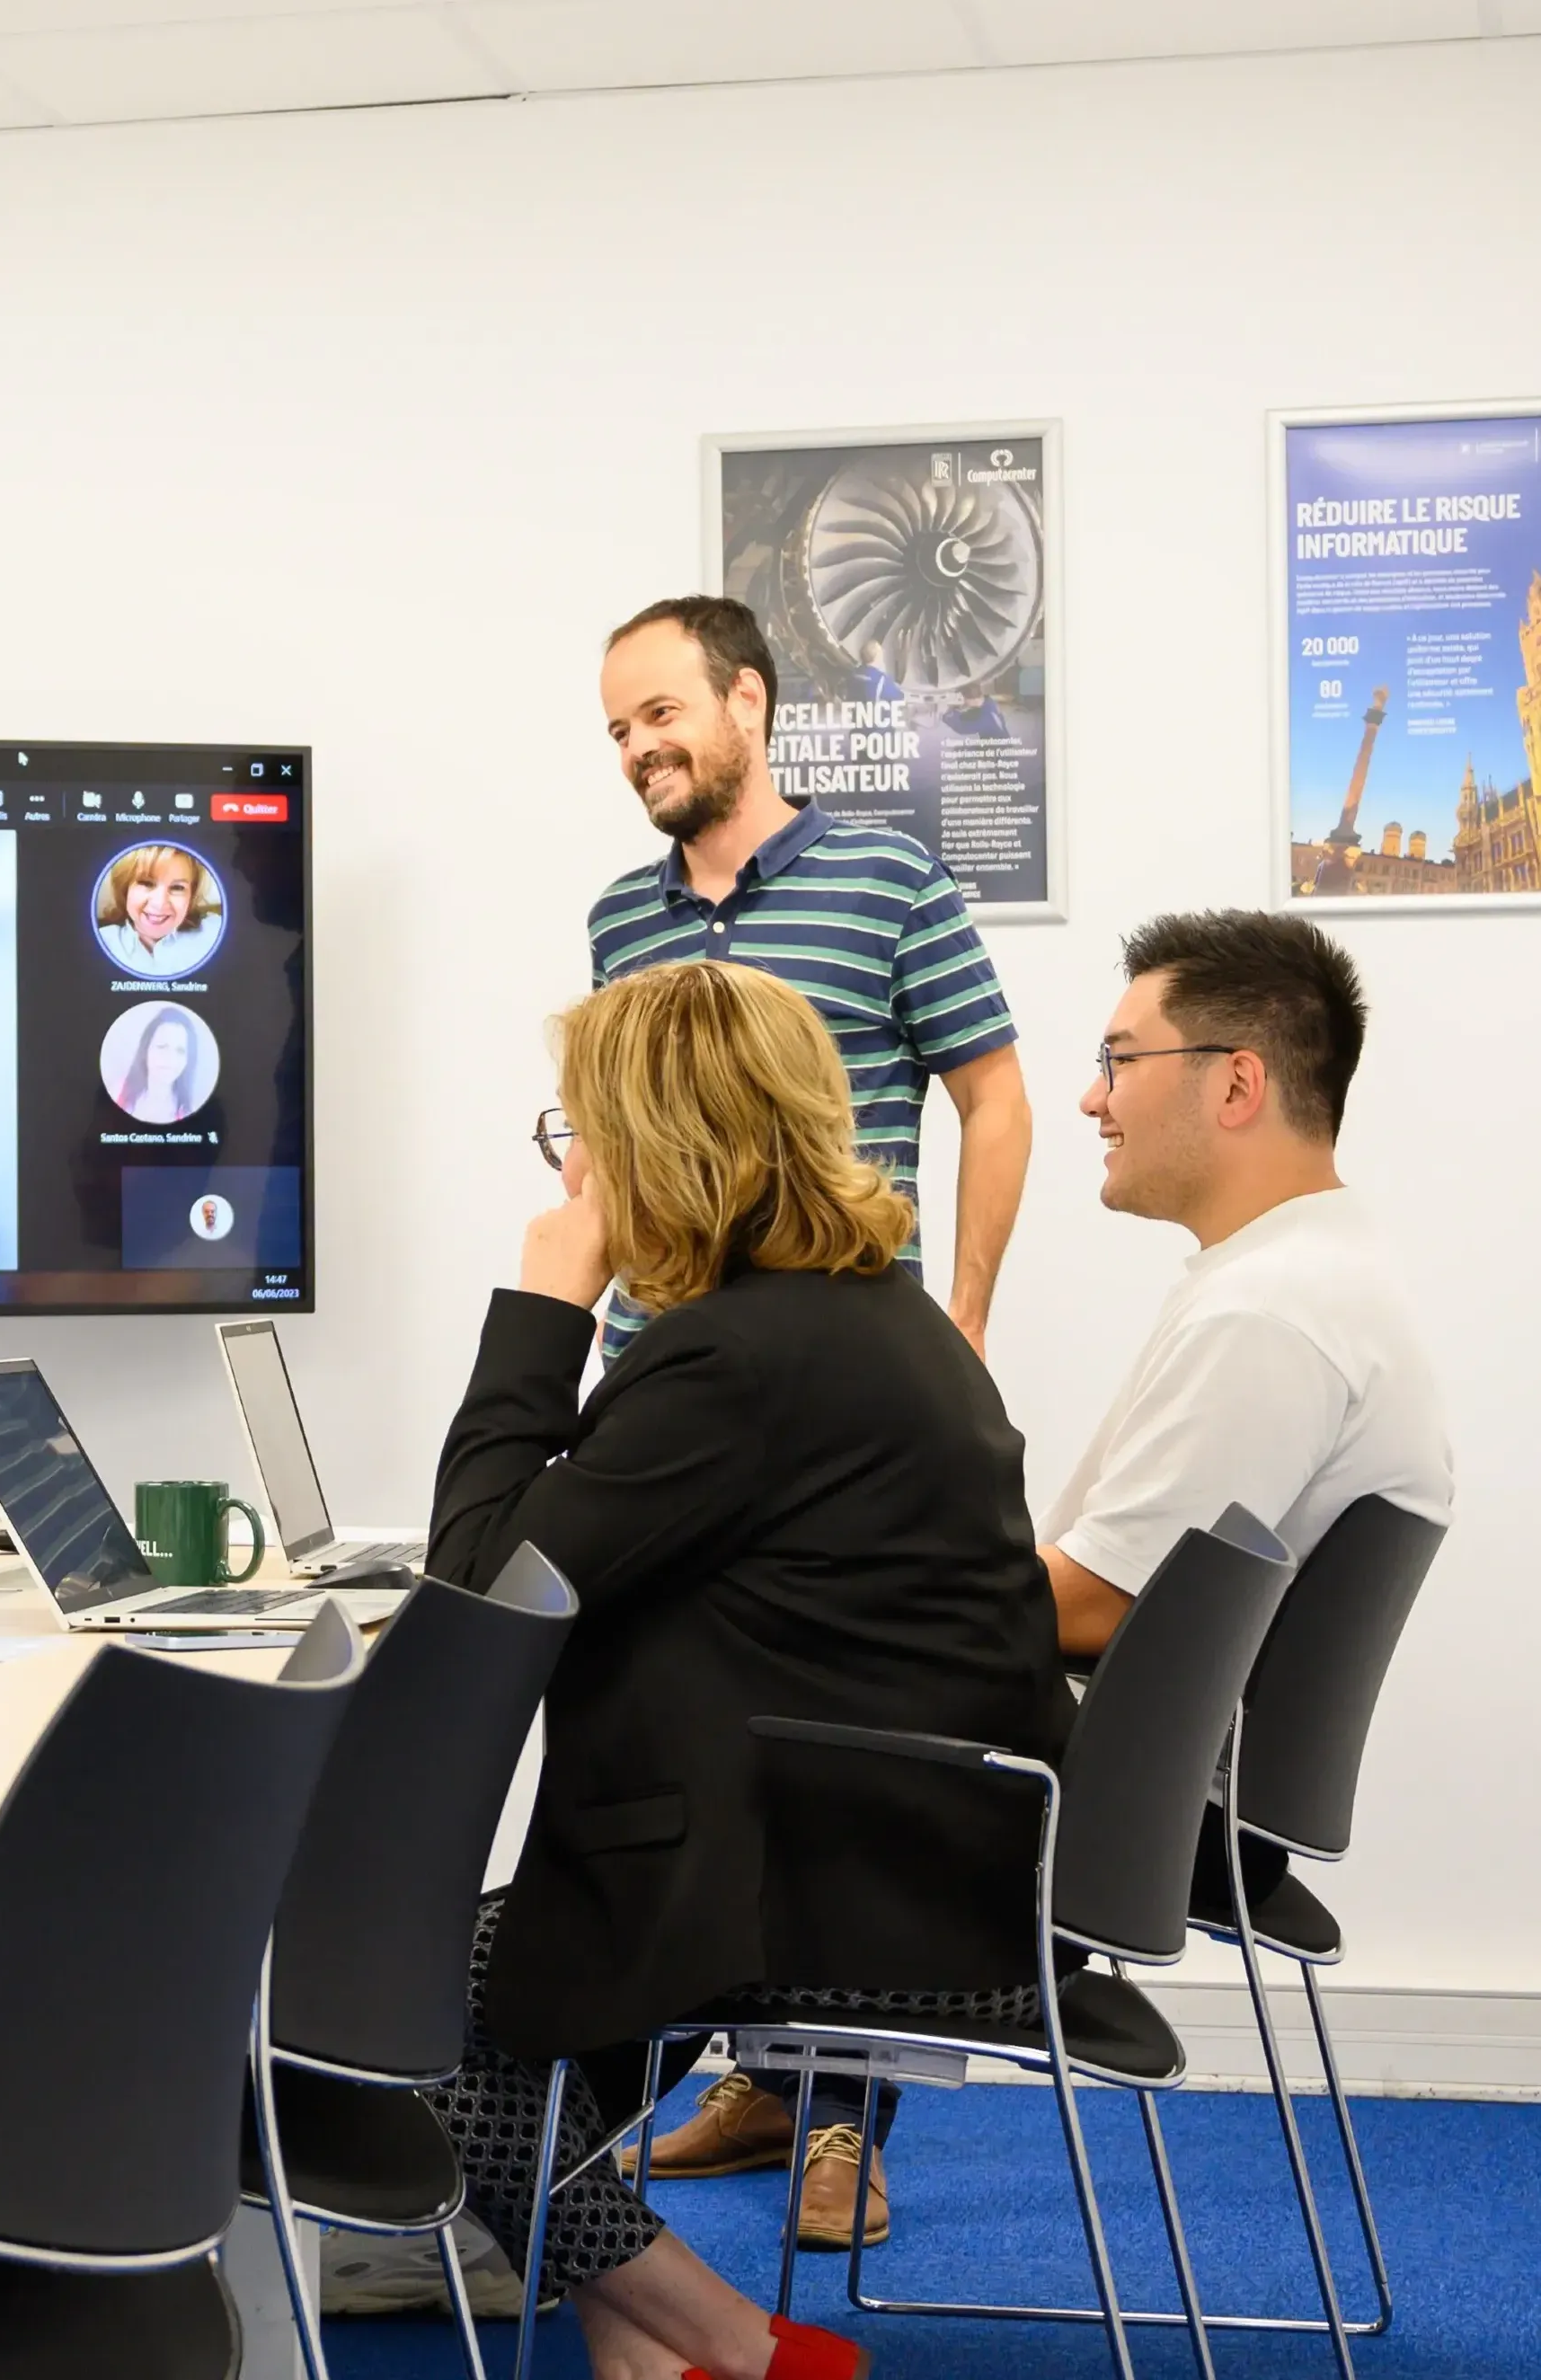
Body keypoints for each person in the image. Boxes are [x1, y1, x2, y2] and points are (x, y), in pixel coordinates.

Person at [429, 961, 1070, 2380]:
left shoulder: (736, 1359)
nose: (570, 1163)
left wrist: (539, 1309)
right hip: (920, 1854)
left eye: (579, 1131)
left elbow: (478, 1593)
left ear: (652, 1145)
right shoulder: (859, 1315)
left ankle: (740, 2342)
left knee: (391, 2004)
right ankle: (650, 2354)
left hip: (848, 1889)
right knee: (504, 1977)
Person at [597, 595, 1034, 2239]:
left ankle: (847, 2109)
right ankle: (749, 2063)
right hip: (666, 1385)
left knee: (843, 1758)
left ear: (745, 701)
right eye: (616, 731)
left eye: (659, 713)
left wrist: (962, 1313)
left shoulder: (890, 880)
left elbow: (989, 1092)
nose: (641, 748)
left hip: (845, 1395)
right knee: (668, 1730)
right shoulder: (614, 920)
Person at [1041, 909, 1452, 1661]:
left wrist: (872, 1583)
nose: (1092, 1099)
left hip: (1049, 1763)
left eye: (1119, 1062)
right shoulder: (1304, 1273)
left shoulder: (1269, 1310)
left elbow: (1105, 1599)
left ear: (1235, 1085)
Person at [93, 842, 225, 978]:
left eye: (177, 888)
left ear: (191, 896)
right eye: (146, 883)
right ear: (125, 889)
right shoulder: (100, 942)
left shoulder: (215, 931)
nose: (160, 903)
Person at [113, 1005, 206, 1123]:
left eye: (180, 1051)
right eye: (162, 1047)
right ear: (146, 1049)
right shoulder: (118, 1093)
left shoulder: (191, 1112)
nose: (170, 1059)